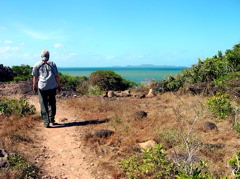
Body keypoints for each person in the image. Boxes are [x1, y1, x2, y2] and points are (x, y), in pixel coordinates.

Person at [32, 50, 61, 128]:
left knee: (43, 104)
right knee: (52, 103)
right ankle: (52, 119)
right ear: (49, 56)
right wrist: (59, 85)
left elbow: (35, 77)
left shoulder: (37, 65)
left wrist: (34, 86)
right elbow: (56, 76)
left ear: (41, 56)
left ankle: (46, 122)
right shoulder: (53, 64)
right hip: (52, 86)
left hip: (42, 87)